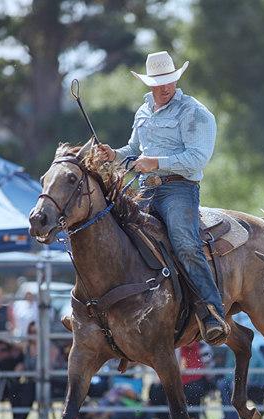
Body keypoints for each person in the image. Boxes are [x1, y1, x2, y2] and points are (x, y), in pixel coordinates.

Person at [92, 50, 229, 345]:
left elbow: (197, 158)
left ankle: (212, 312)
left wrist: (156, 162)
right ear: (150, 83)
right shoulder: (142, 111)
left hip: (179, 189)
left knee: (185, 243)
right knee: (113, 236)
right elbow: (132, 150)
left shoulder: (194, 112)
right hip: (145, 189)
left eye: (169, 80)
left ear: (176, 80)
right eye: (159, 82)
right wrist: (113, 155)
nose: (165, 87)